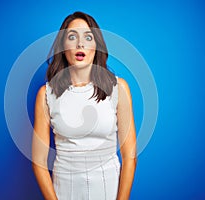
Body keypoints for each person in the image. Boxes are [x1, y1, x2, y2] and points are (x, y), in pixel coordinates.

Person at [32, 11, 137, 200]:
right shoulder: (46, 95)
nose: (80, 44)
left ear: (97, 45)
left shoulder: (118, 88)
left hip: (109, 191)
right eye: (72, 37)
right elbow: (39, 161)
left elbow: (130, 157)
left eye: (88, 37)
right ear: (62, 46)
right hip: (64, 191)